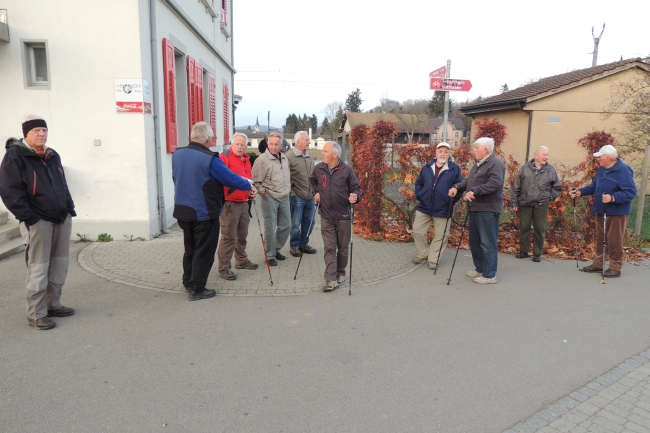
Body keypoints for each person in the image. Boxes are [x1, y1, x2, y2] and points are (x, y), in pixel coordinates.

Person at [0, 116, 76, 330]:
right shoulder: (15, 156)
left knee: (60, 265)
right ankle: (36, 313)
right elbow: (9, 191)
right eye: (36, 131)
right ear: (26, 134)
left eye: (44, 130)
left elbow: (63, 184)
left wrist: (69, 208)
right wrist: (30, 217)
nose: (41, 134)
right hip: (38, 220)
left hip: (61, 217)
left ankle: (53, 304)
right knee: (39, 267)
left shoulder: (52, 155)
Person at [172, 122, 257, 301]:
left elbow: (176, 177)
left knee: (190, 249)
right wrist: (248, 184)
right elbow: (229, 178)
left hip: (182, 210)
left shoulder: (178, 154)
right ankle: (197, 288)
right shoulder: (209, 158)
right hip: (203, 211)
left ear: (192, 136)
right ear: (209, 139)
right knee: (203, 251)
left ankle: (188, 281)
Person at [569, 144, 636, 277]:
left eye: (600, 157)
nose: (598, 159)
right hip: (601, 209)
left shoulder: (623, 170)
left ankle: (615, 267)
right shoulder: (602, 169)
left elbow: (631, 192)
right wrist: (580, 192)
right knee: (601, 238)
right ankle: (599, 263)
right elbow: (595, 186)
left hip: (616, 212)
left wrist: (613, 197)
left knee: (614, 239)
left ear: (609, 157)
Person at [449, 137, 506, 284]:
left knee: (488, 243)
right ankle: (480, 268)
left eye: (476, 148)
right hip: (474, 208)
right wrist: (457, 187)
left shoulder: (495, 163)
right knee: (475, 242)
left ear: (485, 150)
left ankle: (489, 275)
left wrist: (475, 191)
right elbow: (469, 182)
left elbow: (495, 183)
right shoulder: (478, 165)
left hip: (487, 209)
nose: (473, 151)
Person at [309, 141, 361, 292]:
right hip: (326, 215)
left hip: (343, 216)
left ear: (334, 154)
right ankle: (331, 279)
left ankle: (340, 273)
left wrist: (355, 197)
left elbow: (356, 189)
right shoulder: (319, 168)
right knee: (329, 247)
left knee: (343, 248)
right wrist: (316, 192)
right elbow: (312, 181)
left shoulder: (347, 170)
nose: (322, 153)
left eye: (325, 151)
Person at [413, 142, 463, 270]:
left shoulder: (454, 169)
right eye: (441, 151)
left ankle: (433, 259)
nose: (443, 153)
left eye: (446, 151)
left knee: (440, 236)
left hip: (443, 208)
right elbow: (419, 183)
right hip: (424, 206)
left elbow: (460, 187)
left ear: (449, 154)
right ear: (436, 153)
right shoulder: (427, 167)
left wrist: (450, 201)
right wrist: (419, 195)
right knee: (417, 230)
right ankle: (423, 253)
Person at [216, 132, 258, 281]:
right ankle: (224, 267)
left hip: (244, 202)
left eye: (242, 145)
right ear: (231, 145)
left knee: (243, 234)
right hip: (230, 202)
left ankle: (241, 260)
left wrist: (253, 190)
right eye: (237, 144)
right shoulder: (224, 157)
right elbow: (222, 178)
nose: (240, 147)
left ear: (246, 146)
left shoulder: (247, 160)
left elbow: (249, 180)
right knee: (228, 236)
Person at [512, 146, 562, 262]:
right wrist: (514, 201)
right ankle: (523, 251)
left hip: (541, 204)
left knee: (540, 229)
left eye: (547, 155)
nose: (546, 157)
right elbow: (516, 186)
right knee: (524, 228)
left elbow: (557, 187)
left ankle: (537, 253)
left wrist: (548, 197)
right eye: (544, 155)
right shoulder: (525, 168)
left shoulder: (551, 169)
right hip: (525, 203)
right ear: (536, 156)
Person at [252, 131, 291, 266]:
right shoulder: (261, 160)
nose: (273, 147)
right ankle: (269, 255)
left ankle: (276, 249)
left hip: (284, 197)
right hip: (270, 197)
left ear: (281, 144)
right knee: (270, 227)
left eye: (276, 144)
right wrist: (264, 194)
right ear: (267, 143)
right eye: (271, 144)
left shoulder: (285, 158)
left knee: (286, 225)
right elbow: (256, 181)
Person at [286, 131, 317, 257]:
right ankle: (294, 246)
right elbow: (285, 176)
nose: (309, 142)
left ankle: (304, 244)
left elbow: (314, 176)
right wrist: (291, 192)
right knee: (295, 223)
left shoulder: (309, 156)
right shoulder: (289, 156)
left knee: (310, 222)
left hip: (311, 196)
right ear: (298, 141)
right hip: (297, 196)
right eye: (307, 140)